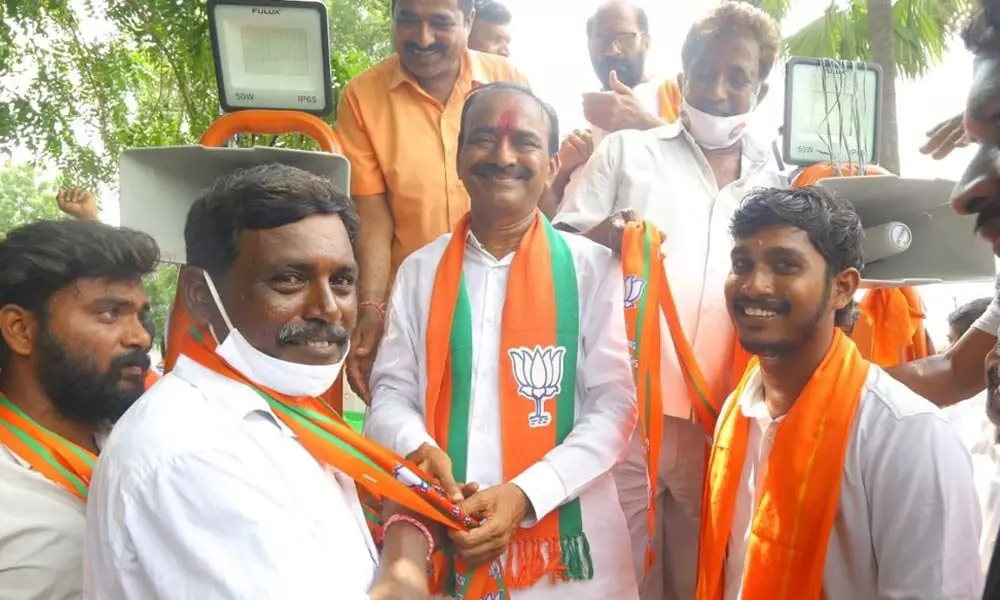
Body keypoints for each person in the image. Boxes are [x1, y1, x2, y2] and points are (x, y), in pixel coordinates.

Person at [85, 164, 453, 600]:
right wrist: (408, 539)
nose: (328, 309)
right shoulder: (189, 453)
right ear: (200, 295)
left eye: (342, 281)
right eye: (290, 279)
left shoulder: (287, 411)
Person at [365, 82, 639, 598]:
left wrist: (525, 495)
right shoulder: (420, 270)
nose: (503, 156)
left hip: (567, 555)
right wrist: (418, 448)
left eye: (525, 143)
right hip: (446, 521)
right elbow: (391, 393)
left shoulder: (595, 269)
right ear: (460, 159)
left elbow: (615, 406)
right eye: (485, 139)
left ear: (554, 165)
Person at [553, 5, 784, 599]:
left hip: (726, 414)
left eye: (739, 78)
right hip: (625, 410)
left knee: (705, 571)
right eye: (706, 73)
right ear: (681, 77)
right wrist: (607, 234)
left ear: (760, 88)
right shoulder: (628, 152)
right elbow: (556, 248)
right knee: (618, 571)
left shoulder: (779, 183)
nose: (719, 90)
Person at [696, 186, 982, 600]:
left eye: (784, 265)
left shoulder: (906, 437)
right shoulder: (737, 413)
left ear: (842, 288)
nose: (754, 285)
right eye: (742, 264)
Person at [336, 0, 529, 405]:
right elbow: (373, 217)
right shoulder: (361, 98)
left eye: (439, 23)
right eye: (407, 21)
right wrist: (370, 307)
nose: (422, 39)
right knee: (410, 431)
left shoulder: (507, 82)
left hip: (507, 298)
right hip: (412, 307)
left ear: (469, 20)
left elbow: (527, 191)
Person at [0, 219, 156, 600]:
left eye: (140, 314)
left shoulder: (146, 442)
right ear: (20, 329)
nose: (140, 336)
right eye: (109, 313)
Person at [549, 0, 677, 210]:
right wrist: (562, 171)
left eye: (624, 38)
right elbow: (543, 211)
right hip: (571, 239)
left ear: (646, 41)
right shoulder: (575, 114)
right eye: (601, 39)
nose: (611, 50)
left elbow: (710, 167)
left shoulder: (674, 91)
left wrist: (643, 122)